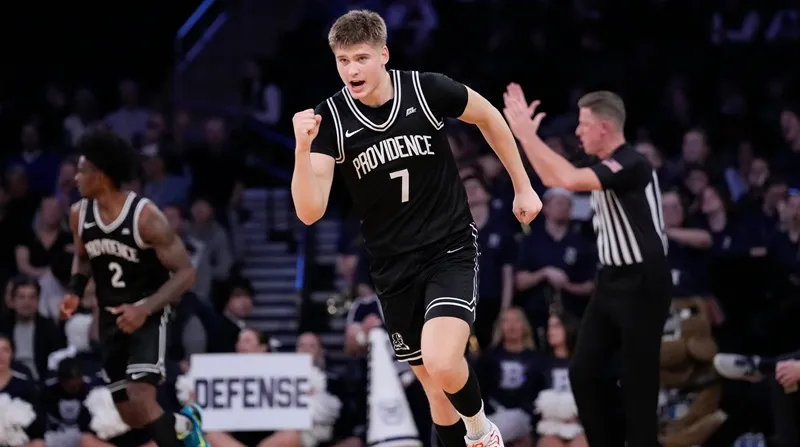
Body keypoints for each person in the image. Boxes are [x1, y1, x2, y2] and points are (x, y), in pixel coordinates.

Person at [291, 10, 542, 447]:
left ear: (384, 54)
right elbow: (310, 211)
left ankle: (483, 432)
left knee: (445, 363)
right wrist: (301, 148)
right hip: (392, 264)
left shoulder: (425, 89)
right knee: (435, 393)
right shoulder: (328, 118)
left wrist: (523, 186)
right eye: (343, 60)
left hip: (448, 247)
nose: (352, 69)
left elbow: (489, 117)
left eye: (361, 58)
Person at [502, 85, 671, 447]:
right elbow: (552, 172)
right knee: (584, 372)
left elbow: (563, 178)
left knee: (638, 383)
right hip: (610, 279)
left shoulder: (632, 163)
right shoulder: (599, 162)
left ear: (604, 128)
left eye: (583, 125)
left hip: (643, 282)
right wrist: (523, 139)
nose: (577, 132)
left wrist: (528, 136)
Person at [58, 129, 209, 447]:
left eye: (82, 171)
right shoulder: (78, 215)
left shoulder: (146, 217)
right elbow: (84, 260)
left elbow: (185, 273)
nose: (76, 178)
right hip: (111, 319)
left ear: (100, 175)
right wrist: (74, 290)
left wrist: (145, 308)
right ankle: (183, 422)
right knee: (127, 414)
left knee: (142, 396)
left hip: (148, 314)